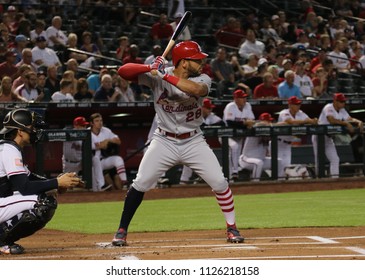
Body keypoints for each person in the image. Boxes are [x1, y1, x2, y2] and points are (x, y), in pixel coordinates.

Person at [113, 40, 244, 246]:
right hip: (164, 140)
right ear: (183, 62)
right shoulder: (156, 76)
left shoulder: (203, 78)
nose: (202, 63)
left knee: (219, 182)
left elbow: (197, 90)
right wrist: (149, 67)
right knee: (141, 183)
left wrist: (164, 74)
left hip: (193, 140)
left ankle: (232, 227)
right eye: (196, 60)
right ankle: (121, 230)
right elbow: (123, 71)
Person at [0, 108, 79, 254]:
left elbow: (30, 178)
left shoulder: (8, 148)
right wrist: (56, 182)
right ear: (20, 131)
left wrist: (58, 182)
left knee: (47, 195)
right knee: (43, 203)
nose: (35, 131)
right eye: (31, 128)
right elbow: (24, 187)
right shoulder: (9, 150)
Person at [312, 93, 363, 178]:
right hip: (319, 136)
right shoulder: (328, 107)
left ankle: (334, 180)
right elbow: (331, 120)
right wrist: (346, 124)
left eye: (343, 101)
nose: (343, 103)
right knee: (319, 159)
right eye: (341, 101)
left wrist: (358, 121)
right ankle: (319, 180)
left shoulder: (342, 110)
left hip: (329, 137)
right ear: (335, 101)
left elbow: (349, 119)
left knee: (335, 159)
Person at [180, 98, 224, 184]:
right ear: (201, 107)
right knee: (189, 159)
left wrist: (209, 126)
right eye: (208, 108)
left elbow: (221, 123)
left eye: (211, 108)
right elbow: (201, 125)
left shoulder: (210, 116)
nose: (210, 110)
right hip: (186, 142)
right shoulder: (194, 114)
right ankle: (183, 181)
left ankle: (194, 179)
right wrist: (209, 126)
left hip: (198, 143)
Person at [277, 96, 318, 177]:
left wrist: (313, 121)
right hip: (278, 143)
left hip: (288, 144)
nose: (298, 106)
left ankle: (282, 186)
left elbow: (310, 121)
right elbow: (290, 121)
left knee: (286, 168)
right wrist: (305, 121)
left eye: (299, 104)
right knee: (279, 167)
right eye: (296, 104)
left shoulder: (300, 113)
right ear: (290, 105)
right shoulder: (284, 112)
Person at [238, 112, 285, 181]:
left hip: (261, 159)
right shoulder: (255, 127)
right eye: (268, 120)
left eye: (270, 120)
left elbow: (283, 124)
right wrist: (270, 124)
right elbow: (260, 124)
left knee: (279, 162)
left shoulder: (268, 130)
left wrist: (275, 124)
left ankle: (278, 183)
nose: (269, 122)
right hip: (246, 159)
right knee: (258, 163)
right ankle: (255, 183)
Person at [223, 89, 255, 181]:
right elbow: (230, 123)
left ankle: (229, 177)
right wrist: (245, 123)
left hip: (239, 135)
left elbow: (251, 121)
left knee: (234, 154)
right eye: (242, 98)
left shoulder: (247, 106)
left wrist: (246, 123)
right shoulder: (230, 106)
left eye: (245, 97)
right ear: (236, 99)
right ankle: (235, 172)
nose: (244, 99)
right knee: (234, 147)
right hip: (226, 135)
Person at [90, 113, 127, 192]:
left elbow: (118, 141)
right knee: (95, 190)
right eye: (97, 121)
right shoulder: (87, 132)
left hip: (104, 160)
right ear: (92, 123)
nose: (100, 122)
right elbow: (96, 147)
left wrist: (108, 140)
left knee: (118, 159)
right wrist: (102, 144)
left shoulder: (106, 130)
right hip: (92, 164)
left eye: (101, 120)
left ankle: (124, 181)